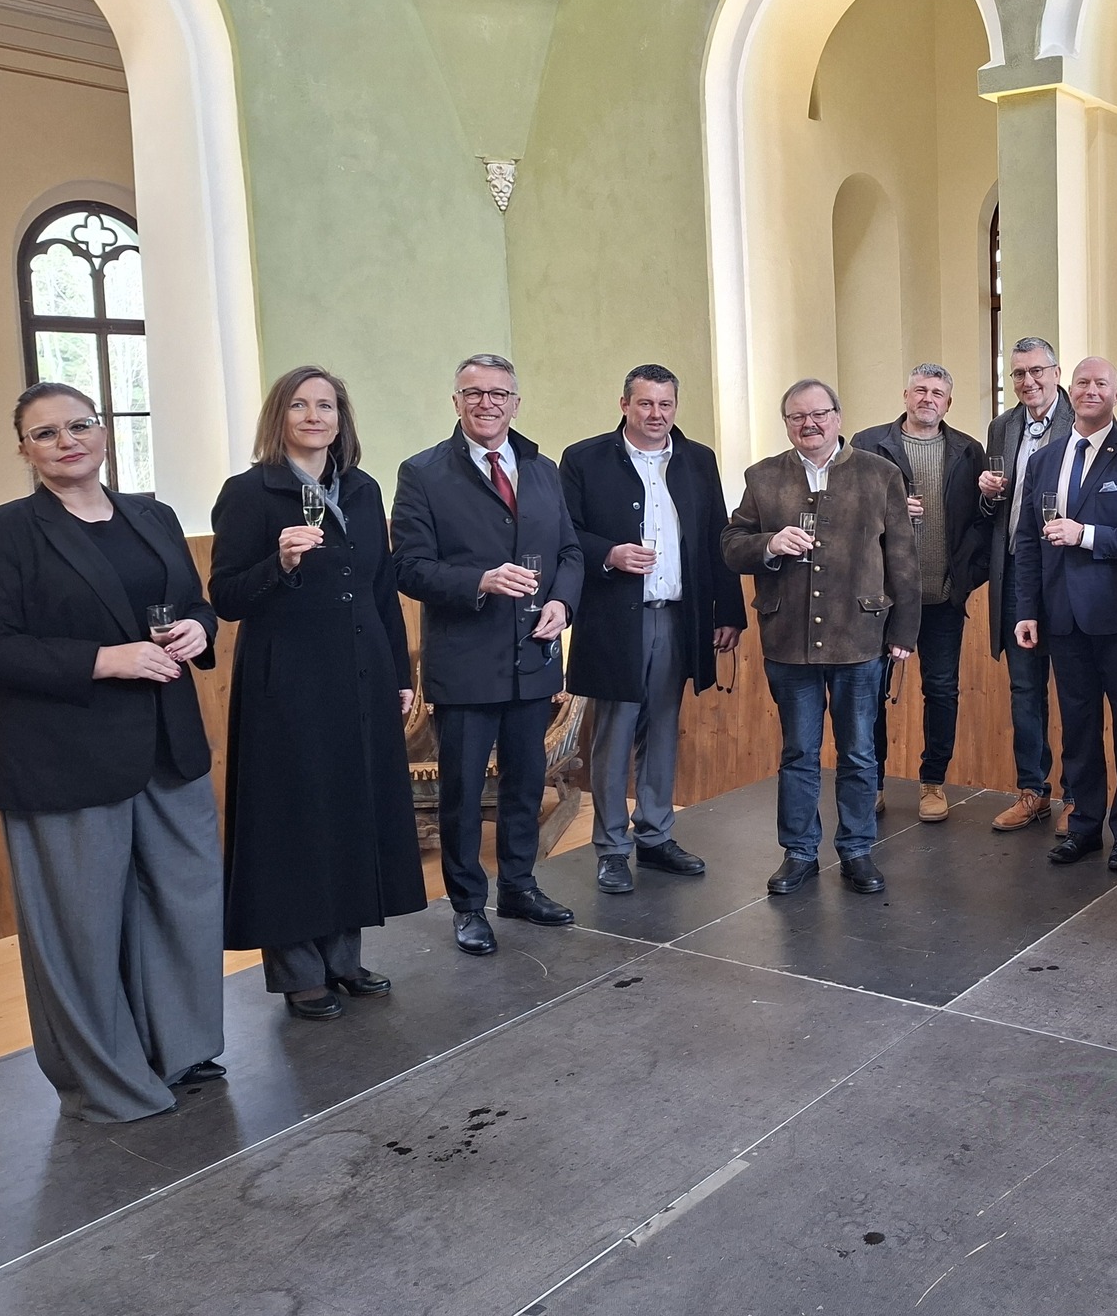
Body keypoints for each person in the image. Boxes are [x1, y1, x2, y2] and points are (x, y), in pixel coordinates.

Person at [0, 382, 225, 1121]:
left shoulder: (153, 515)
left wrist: (199, 630)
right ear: (23, 449)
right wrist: (105, 660)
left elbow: (194, 603)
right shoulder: (0, 533)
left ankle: (179, 1050)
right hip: (62, 755)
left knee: (185, 904)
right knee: (83, 928)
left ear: (103, 432)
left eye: (80, 425)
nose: (67, 441)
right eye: (45, 433)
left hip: (167, 745)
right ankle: (108, 1080)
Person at [210, 367, 428, 1020]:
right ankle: (299, 971)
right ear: (279, 417)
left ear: (341, 418)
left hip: (360, 677)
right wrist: (278, 563)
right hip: (287, 686)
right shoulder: (249, 492)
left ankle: (342, 959)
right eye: (300, 405)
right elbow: (225, 597)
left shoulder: (361, 488)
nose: (314, 416)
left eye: (326, 405)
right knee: (294, 823)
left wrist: (399, 674)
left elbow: (381, 589)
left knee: (351, 814)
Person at [392, 354, 584, 956]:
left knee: (525, 786)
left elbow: (570, 552)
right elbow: (408, 567)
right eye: (473, 393)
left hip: (534, 656)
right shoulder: (423, 473)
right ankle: (469, 906)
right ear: (456, 402)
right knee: (463, 795)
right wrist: (480, 580)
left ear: (515, 404)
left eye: (498, 393)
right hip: (465, 664)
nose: (486, 403)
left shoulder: (542, 469)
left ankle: (520, 887)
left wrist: (563, 604)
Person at [722, 380, 920, 896]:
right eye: (797, 417)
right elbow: (732, 545)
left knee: (858, 753)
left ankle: (857, 850)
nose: (809, 424)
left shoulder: (880, 474)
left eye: (819, 414)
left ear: (838, 416)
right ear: (786, 423)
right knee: (798, 753)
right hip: (788, 639)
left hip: (859, 638)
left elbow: (902, 558)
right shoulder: (763, 476)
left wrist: (904, 631)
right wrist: (769, 543)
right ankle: (799, 853)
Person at [562, 363, 745, 895]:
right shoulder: (584, 459)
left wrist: (728, 611)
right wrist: (609, 554)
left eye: (665, 404)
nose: (656, 414)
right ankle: (611, 847)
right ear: (624, 405)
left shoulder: (697, 459)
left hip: (678, 616)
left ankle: (656, 835)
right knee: (615, 731)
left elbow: (717, 535)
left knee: (663, 727)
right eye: (645, 403)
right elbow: (565, 533)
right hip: (614, 620)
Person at [1012, 356, 1117, 872]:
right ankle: (1083, 826)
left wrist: (1087, 536)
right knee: (1077, 728)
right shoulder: (1044, 460)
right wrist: (1026, 609)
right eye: (1083, 382)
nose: (1090, 390)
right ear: (1068, 389)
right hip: (1061, 618)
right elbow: (1028, 542)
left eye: (1102, 383)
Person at [851, 363, 987, 822]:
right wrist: (884, 508)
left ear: (949, 403)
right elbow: (844, 512)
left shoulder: (968, 450)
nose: (928, 399)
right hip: (881, 599)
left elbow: (982, 521)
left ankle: (933, 783)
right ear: (905, 395)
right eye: (920, 390)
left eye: (937, 393)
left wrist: (967, 578)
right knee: (870, 692)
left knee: (942, 692)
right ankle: (872, 783)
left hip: (943, 598)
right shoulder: (869, 444)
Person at [977, 337, 1073, 833]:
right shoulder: (1002, 426)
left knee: (1075, 686)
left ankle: (1077, 796)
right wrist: (987, 494)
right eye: (1018, 373)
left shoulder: (1081, 419)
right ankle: (1033, 790)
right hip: (1016, 569)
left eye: (1037, 371)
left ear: (1056, 372)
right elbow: (996, 512)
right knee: (1024, 687)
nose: (1028, 381)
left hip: (1067, 572)